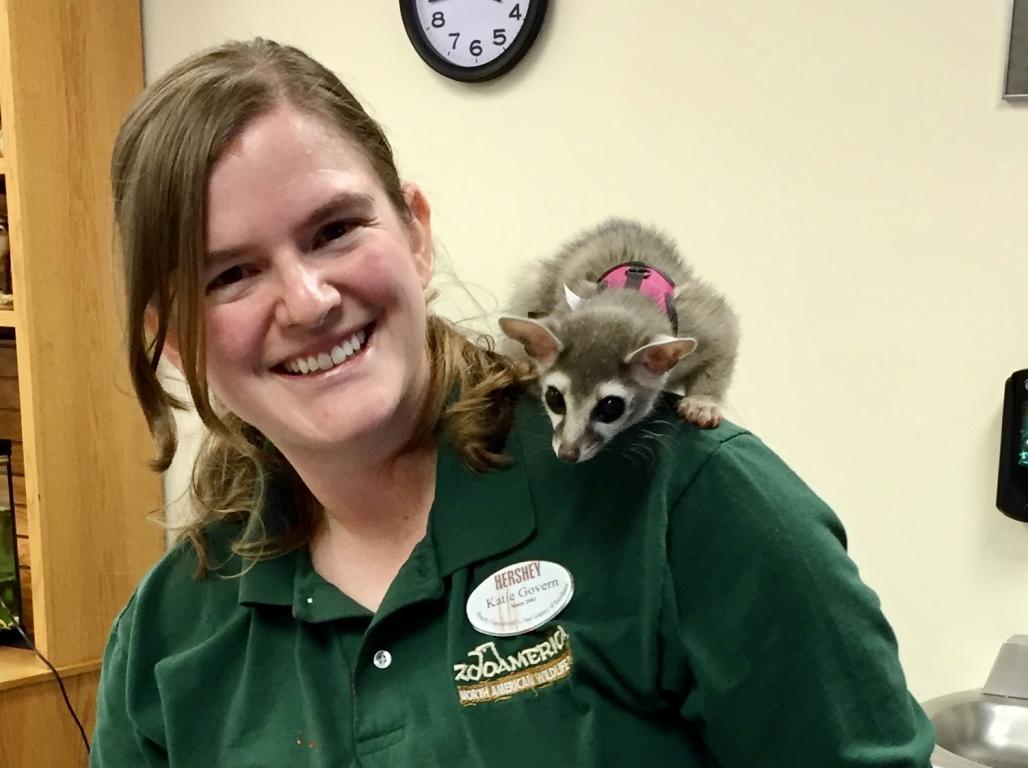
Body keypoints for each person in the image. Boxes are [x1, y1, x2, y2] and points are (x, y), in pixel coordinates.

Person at [91, 38, 935, 767]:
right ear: (170, 336)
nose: (309, 300)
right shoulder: (171, 635)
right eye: (231, 274)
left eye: (335, 230)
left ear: (415, 232)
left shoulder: (687, 506)